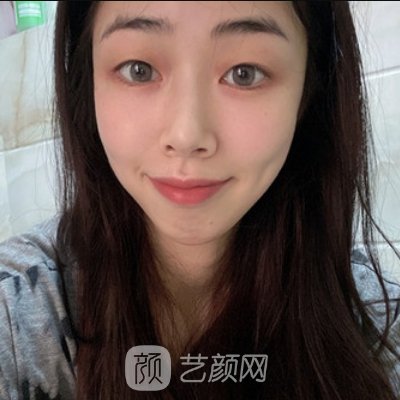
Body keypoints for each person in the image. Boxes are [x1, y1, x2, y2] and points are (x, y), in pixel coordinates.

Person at [0, 1, 399, 399]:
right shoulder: (17, 317)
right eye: (139, 70)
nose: (186, 135)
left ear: (308, 91)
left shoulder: (377, 328)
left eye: (245, 73)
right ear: (87, 83)